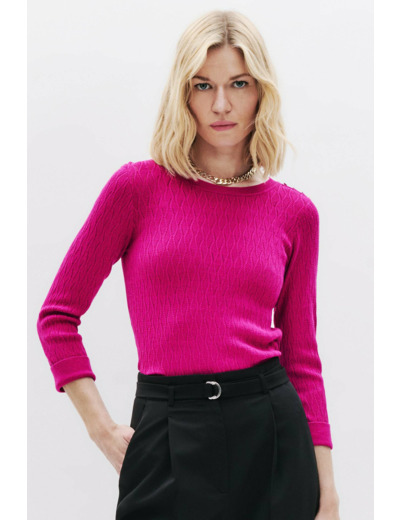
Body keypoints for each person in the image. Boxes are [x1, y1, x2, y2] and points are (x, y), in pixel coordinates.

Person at [36, 9, 340, 520]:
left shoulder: (295, 213)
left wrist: (327, 494)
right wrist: (102, 431)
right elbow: (57, 318)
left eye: (238, 83)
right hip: (166, 429)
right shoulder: (136, 189)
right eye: (203, 86)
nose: (221, 104)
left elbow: (303, 360)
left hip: (270, 433)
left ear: (260, 92)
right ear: (183, 94)